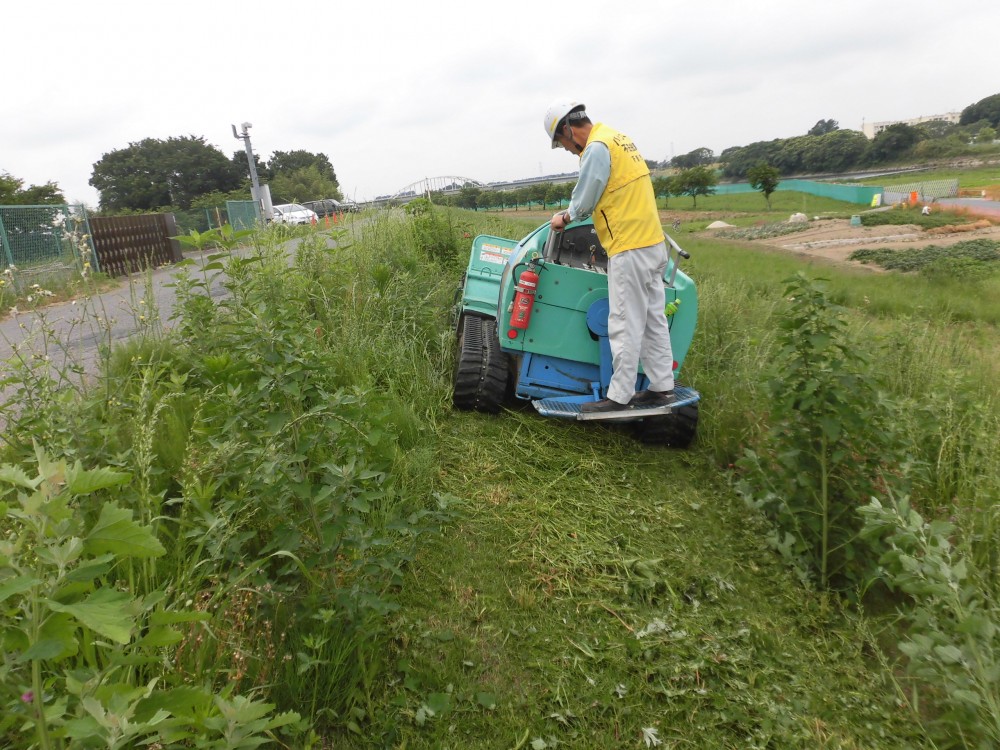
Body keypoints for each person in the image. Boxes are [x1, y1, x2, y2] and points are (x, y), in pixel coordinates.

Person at [543, 100, 675, 413]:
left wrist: (565, 216)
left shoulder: (597, 148)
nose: (569, 150)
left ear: (567, 129)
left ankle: (619, 396)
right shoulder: (618, 138)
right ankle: (662, 387)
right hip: (653, 243)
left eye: (563, 145)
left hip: (630, 246)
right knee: (653, 319)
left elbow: (587, 195)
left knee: (624, 322)